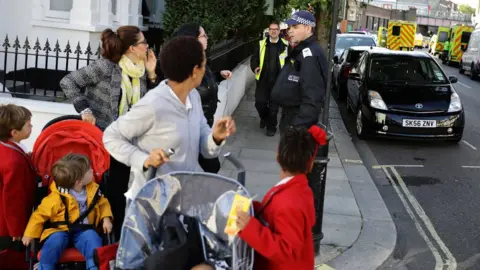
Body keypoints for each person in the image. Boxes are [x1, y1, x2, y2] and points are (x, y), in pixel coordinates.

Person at [103, 36, 236, 204]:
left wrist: (216, 137)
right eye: (204, 64)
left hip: (186, 198)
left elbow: (204, 147)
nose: (206, 69)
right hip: (154, 204)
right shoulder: (154, 104)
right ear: (195, 71)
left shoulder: (193, 96)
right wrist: (143, 160)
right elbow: (111, 136)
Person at [60, 25, 158, 239]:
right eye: (143, 42)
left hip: (127, 138)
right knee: (106, 186)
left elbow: (149, 100)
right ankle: (102, 232)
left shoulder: (139, 69)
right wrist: (84, 109)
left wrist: (151, 74)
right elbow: (68, 82)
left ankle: (116, 234)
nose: (147, 46)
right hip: (102, 137)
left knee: (119, 187)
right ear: (132, 48)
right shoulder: (106, 67)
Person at [235, 125, 327, 270]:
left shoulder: (290, 201)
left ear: (277, 155)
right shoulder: (299, 189)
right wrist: (253, 207)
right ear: (310, 166)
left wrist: (250, 228)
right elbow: (275, 216)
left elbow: (286, 250)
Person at [22, 153, 113, 270]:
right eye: (89, 170)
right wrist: (29, 234)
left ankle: (94, 265)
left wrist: (106, 219)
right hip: (60, 230)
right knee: (54, 243)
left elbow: (103, 204)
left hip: (85, 229)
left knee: (93, 240)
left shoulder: (93, 190)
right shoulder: (55, 199)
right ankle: (45, 266)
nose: (92, 170)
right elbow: (38, 216)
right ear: (78, 182)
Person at [164, 23, 232, 173]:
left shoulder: (200, 60)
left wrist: (218, 76)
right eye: (204, 35)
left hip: (204, 124)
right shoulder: (184, 66)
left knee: (210, 168)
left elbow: (204, 82)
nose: (207, 38)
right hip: (189, 132)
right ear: (193, 39)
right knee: (208, 168)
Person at [270, 11, 327, 132]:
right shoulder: (301, 50)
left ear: (308, 28)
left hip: (296, 123)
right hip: (290, 116)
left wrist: (296, 127)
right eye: (290, 27)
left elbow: (312, 98)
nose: (290, 30)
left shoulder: (309, 55)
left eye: (295, 27)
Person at [0, 104, 37, 270]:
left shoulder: (7, 149)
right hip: (7, 227)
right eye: (28, 125)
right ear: (14, 133)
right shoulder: (13, 161)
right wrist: (16, 230)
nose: (31, 127)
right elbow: (13, 198)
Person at [251, 21, 289, 136]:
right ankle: (264, 118)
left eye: (276, 29)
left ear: (279, 31)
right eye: (271, 29)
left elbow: (289, 62)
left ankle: (271, 127)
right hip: (263, 80)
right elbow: (254, 59)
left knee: (274, 108)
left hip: (278, 81)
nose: (273, 31)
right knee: (259, 103)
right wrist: (255, 67)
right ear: (268, 31)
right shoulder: (261, 44)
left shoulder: (285, 45)